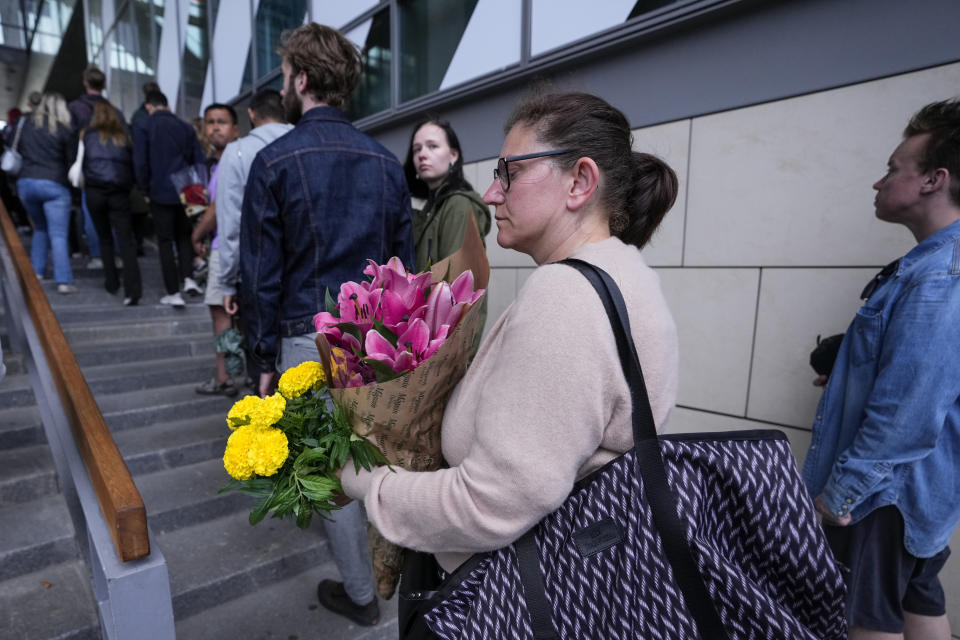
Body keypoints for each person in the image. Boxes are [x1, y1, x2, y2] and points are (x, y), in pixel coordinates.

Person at [339, 91, 679, 629]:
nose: (493, 193)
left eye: (509, 172)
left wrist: (367, 482)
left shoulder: (565, 296)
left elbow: (494, 501)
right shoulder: (624, 273)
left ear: (580, 181)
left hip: (516, 598)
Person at [240, 22, 414, 627]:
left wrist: (260, 362)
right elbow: (404, 274)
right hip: (374, 343)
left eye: (287, 75)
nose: (284, 85)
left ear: (303, 78)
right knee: (374, 457)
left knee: (330, 471)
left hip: (303, 338)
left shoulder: (273, 160)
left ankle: (365, 599)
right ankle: (393, 581)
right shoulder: (388, 165)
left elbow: (259, 276)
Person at [802, 100, 960, 640]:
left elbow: (908, 411)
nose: (878, 180)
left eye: (894, 168)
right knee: (920, 608)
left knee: (866, 626)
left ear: (933, 181)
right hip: (919, 496)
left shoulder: (940, 275)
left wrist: (839, 495)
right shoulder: (928, 267)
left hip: (882, 498)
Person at [404, 115, 491, 354]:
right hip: (431, 344)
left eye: (432, 146)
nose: (422, 154)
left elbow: (456, 290)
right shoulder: (432, 208)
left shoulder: (458, 206)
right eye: (417, 149)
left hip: (447, 349)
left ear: (453, 155)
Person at [217, 89, 291, 319]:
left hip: (258, 273)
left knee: (261, 349)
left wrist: (228, 282)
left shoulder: (237, 151)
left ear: (251, 113)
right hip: (307, 273)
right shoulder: (306, 143)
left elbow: (231, 223)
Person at [133, 90, 206, 307]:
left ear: (149, 106)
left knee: (165, 241)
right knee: (185, 235)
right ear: (167, 104)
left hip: (160, 189)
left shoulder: (144, 126)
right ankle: (189, 279)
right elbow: (198, 160)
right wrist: (199, 192)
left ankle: (173, 292)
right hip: (188, 188)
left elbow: (140, 162)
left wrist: (144, 188)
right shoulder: (185, 126)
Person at [191, 103, 239, 396]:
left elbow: (217, 207)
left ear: (235, 129)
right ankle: (234, 373)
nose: (215, 127)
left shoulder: (229, 162)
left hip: (225, 248)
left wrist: (197, 233)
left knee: (220, 313)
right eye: (210, 122)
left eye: (222, 122)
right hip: (229, 245)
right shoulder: (220, 163)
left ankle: (225, 377)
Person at [81, 100, 142, 305]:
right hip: (119, 192)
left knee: (104, 238)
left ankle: (112, 282)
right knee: (126, 240)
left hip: (95, 191)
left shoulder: (87, 135)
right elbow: (134, 165)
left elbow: (80, 163)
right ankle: (133, 290)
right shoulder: (123, 136)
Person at [16, 92, 77, 294]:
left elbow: (19, 150)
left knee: (40, 228)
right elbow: (71, 159)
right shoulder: (64, 128)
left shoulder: (25, 125)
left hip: (26, 182)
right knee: (58, 234)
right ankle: (63, 281)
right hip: (54, 184)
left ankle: (37, 273)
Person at [68, 66, 125, 271]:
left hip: (89, 169)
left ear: (85, 83)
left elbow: (70, 140)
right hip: (116, 170)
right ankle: (116, 253)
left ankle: (99, 254)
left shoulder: (75, 108)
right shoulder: (114, 110)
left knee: (92, 214)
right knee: (116, 216)